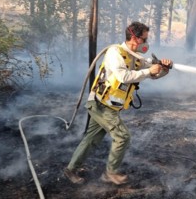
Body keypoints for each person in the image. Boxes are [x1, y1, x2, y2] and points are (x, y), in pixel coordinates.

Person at [64, 21, 173, 185]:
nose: (146, 43)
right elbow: (123, 76)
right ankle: (110, 173)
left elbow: (153, 75)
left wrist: (164, 68)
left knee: (91, 139)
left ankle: (71, 169)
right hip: (101, 104)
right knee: (123, 137)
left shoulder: (136, 58)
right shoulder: (115, 52)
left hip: (110, 106)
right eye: (144, 39)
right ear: (135, 38)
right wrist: (148, 70)